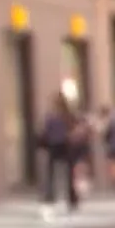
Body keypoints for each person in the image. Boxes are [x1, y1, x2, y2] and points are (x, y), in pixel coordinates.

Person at [36, 91, 81, 219]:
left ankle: (50, 200)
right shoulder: (68, 115)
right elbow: (75, 129)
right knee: (68, 175)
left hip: (53, 146)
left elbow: (44, 131)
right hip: (66, 145)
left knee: (51, 174)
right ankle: (71, 200)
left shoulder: (51, 116)